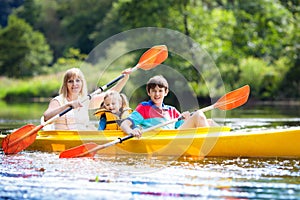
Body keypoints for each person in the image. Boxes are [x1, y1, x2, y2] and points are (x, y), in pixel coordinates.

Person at [120, 75, 215, 138]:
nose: (157, 94)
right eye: (153, 91)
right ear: (149, 92)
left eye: (160, 91)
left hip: (174, 137)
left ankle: (221, 138)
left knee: (209, 122)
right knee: (198, 115)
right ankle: (209, 145)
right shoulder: (144, 107)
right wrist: (131, 131)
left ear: (166, 92)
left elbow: (182, 128)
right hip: (163, 139)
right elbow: (124, 124)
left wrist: (186, 119)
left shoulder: (172, 110)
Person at [43, 67, 131, 130]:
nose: (74, 84)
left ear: (82, 83)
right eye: (70, 81)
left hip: (82, 139)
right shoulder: (58, 100)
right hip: (64, 138)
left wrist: (125, 78)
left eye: (78, 80)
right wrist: (68, 105)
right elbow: (46, 117)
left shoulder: (85, 100)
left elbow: (110, 95)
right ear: (65, 84)